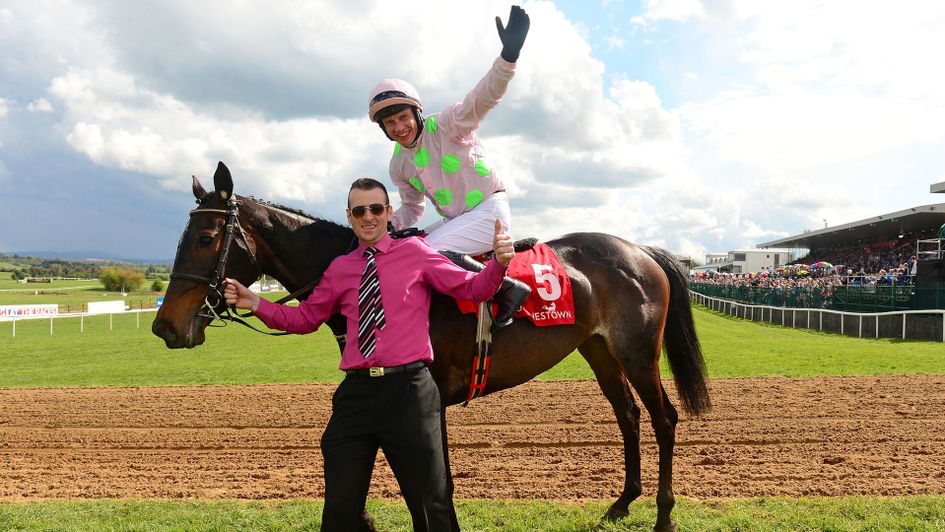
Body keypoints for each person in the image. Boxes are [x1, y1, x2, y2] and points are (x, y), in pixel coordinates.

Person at [224, 177, 514, 532]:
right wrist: (254, 302)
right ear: (349, 216)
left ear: (389, 213)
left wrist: (498, 264)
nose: (368, 216)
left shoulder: (418, 253)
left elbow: (473, 287)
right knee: (339, 515)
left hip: (409, 392)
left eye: (376, 208)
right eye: (359, 210)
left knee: (430, 506)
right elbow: (305, 319)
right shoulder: (341, 269)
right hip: (356, 397)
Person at [366, 5, 531, 328]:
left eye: (402, 118)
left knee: (421, 254)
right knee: (405, 248)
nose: (399, 127)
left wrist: (508, 56)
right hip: (457, 220)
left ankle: (508, 289)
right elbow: (412, 210)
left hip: (489, 213)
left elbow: (483, 98)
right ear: (383, 129)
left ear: (416, 114)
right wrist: (387, 225)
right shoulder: (398, 164)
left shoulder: (448, 124)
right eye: (390, 123)